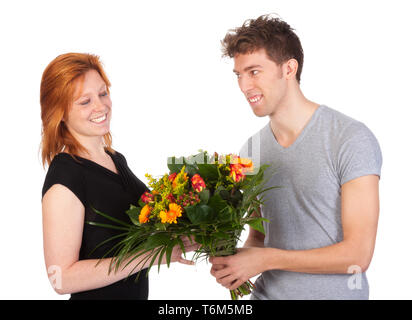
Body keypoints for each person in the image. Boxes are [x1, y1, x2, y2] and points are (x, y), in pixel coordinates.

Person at [209, 15, 382, 300]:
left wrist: (266, 260)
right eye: (239, 75)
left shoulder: (349, 138)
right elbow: (259, 238)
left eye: (254, 72)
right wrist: (237, 263)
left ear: (289, 68)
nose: (244, 86)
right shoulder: (250, 151)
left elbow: (358, 254)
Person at [40, 53, 196, 300]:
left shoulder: (114, 158)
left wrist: (184, 237)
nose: (100, 106)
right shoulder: (66, 179)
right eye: (85, 101)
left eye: (102, 94)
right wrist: (149, 255)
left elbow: (129, 234)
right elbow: (61, 279)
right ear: (59, 112)